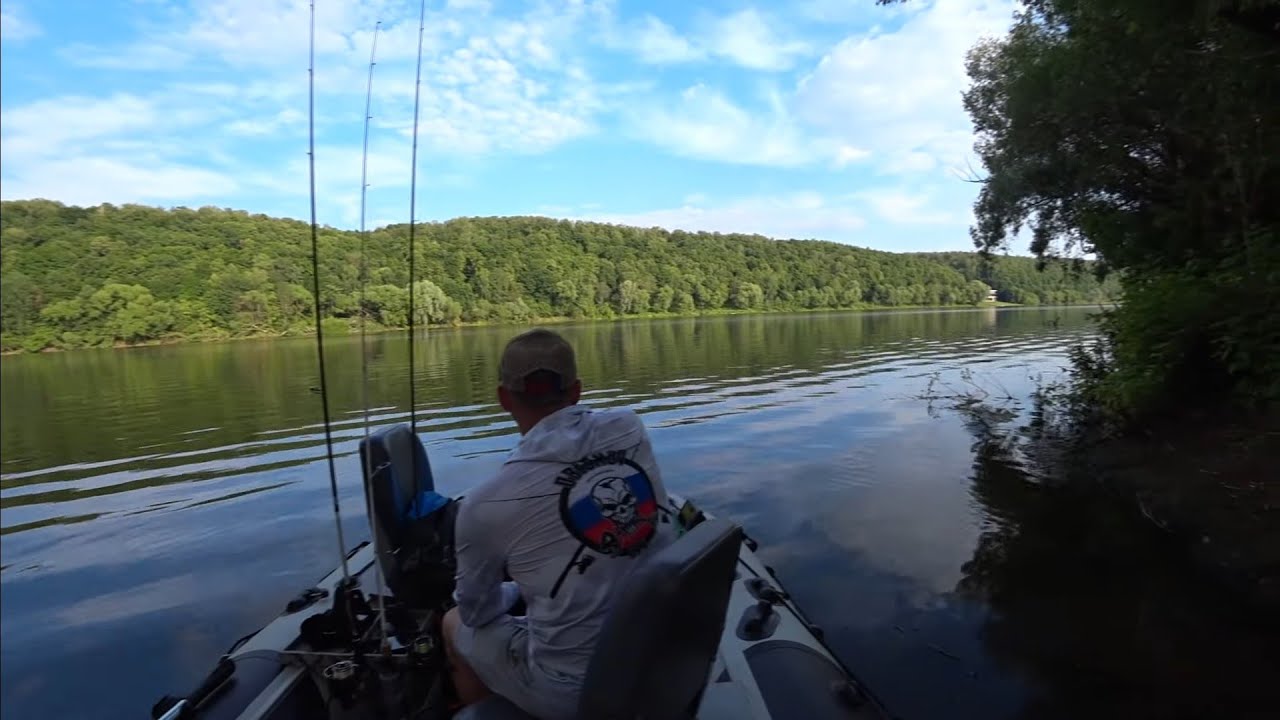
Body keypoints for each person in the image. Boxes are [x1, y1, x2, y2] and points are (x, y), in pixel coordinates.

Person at [442, 328, 673, 720]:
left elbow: (479, 615)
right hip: (658, 658)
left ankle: (486, 710)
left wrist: (516, 591)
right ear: (577, 389)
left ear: (502, 398)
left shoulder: (484, 505)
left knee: (452, 621)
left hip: (571, 693)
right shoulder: (629, 427)